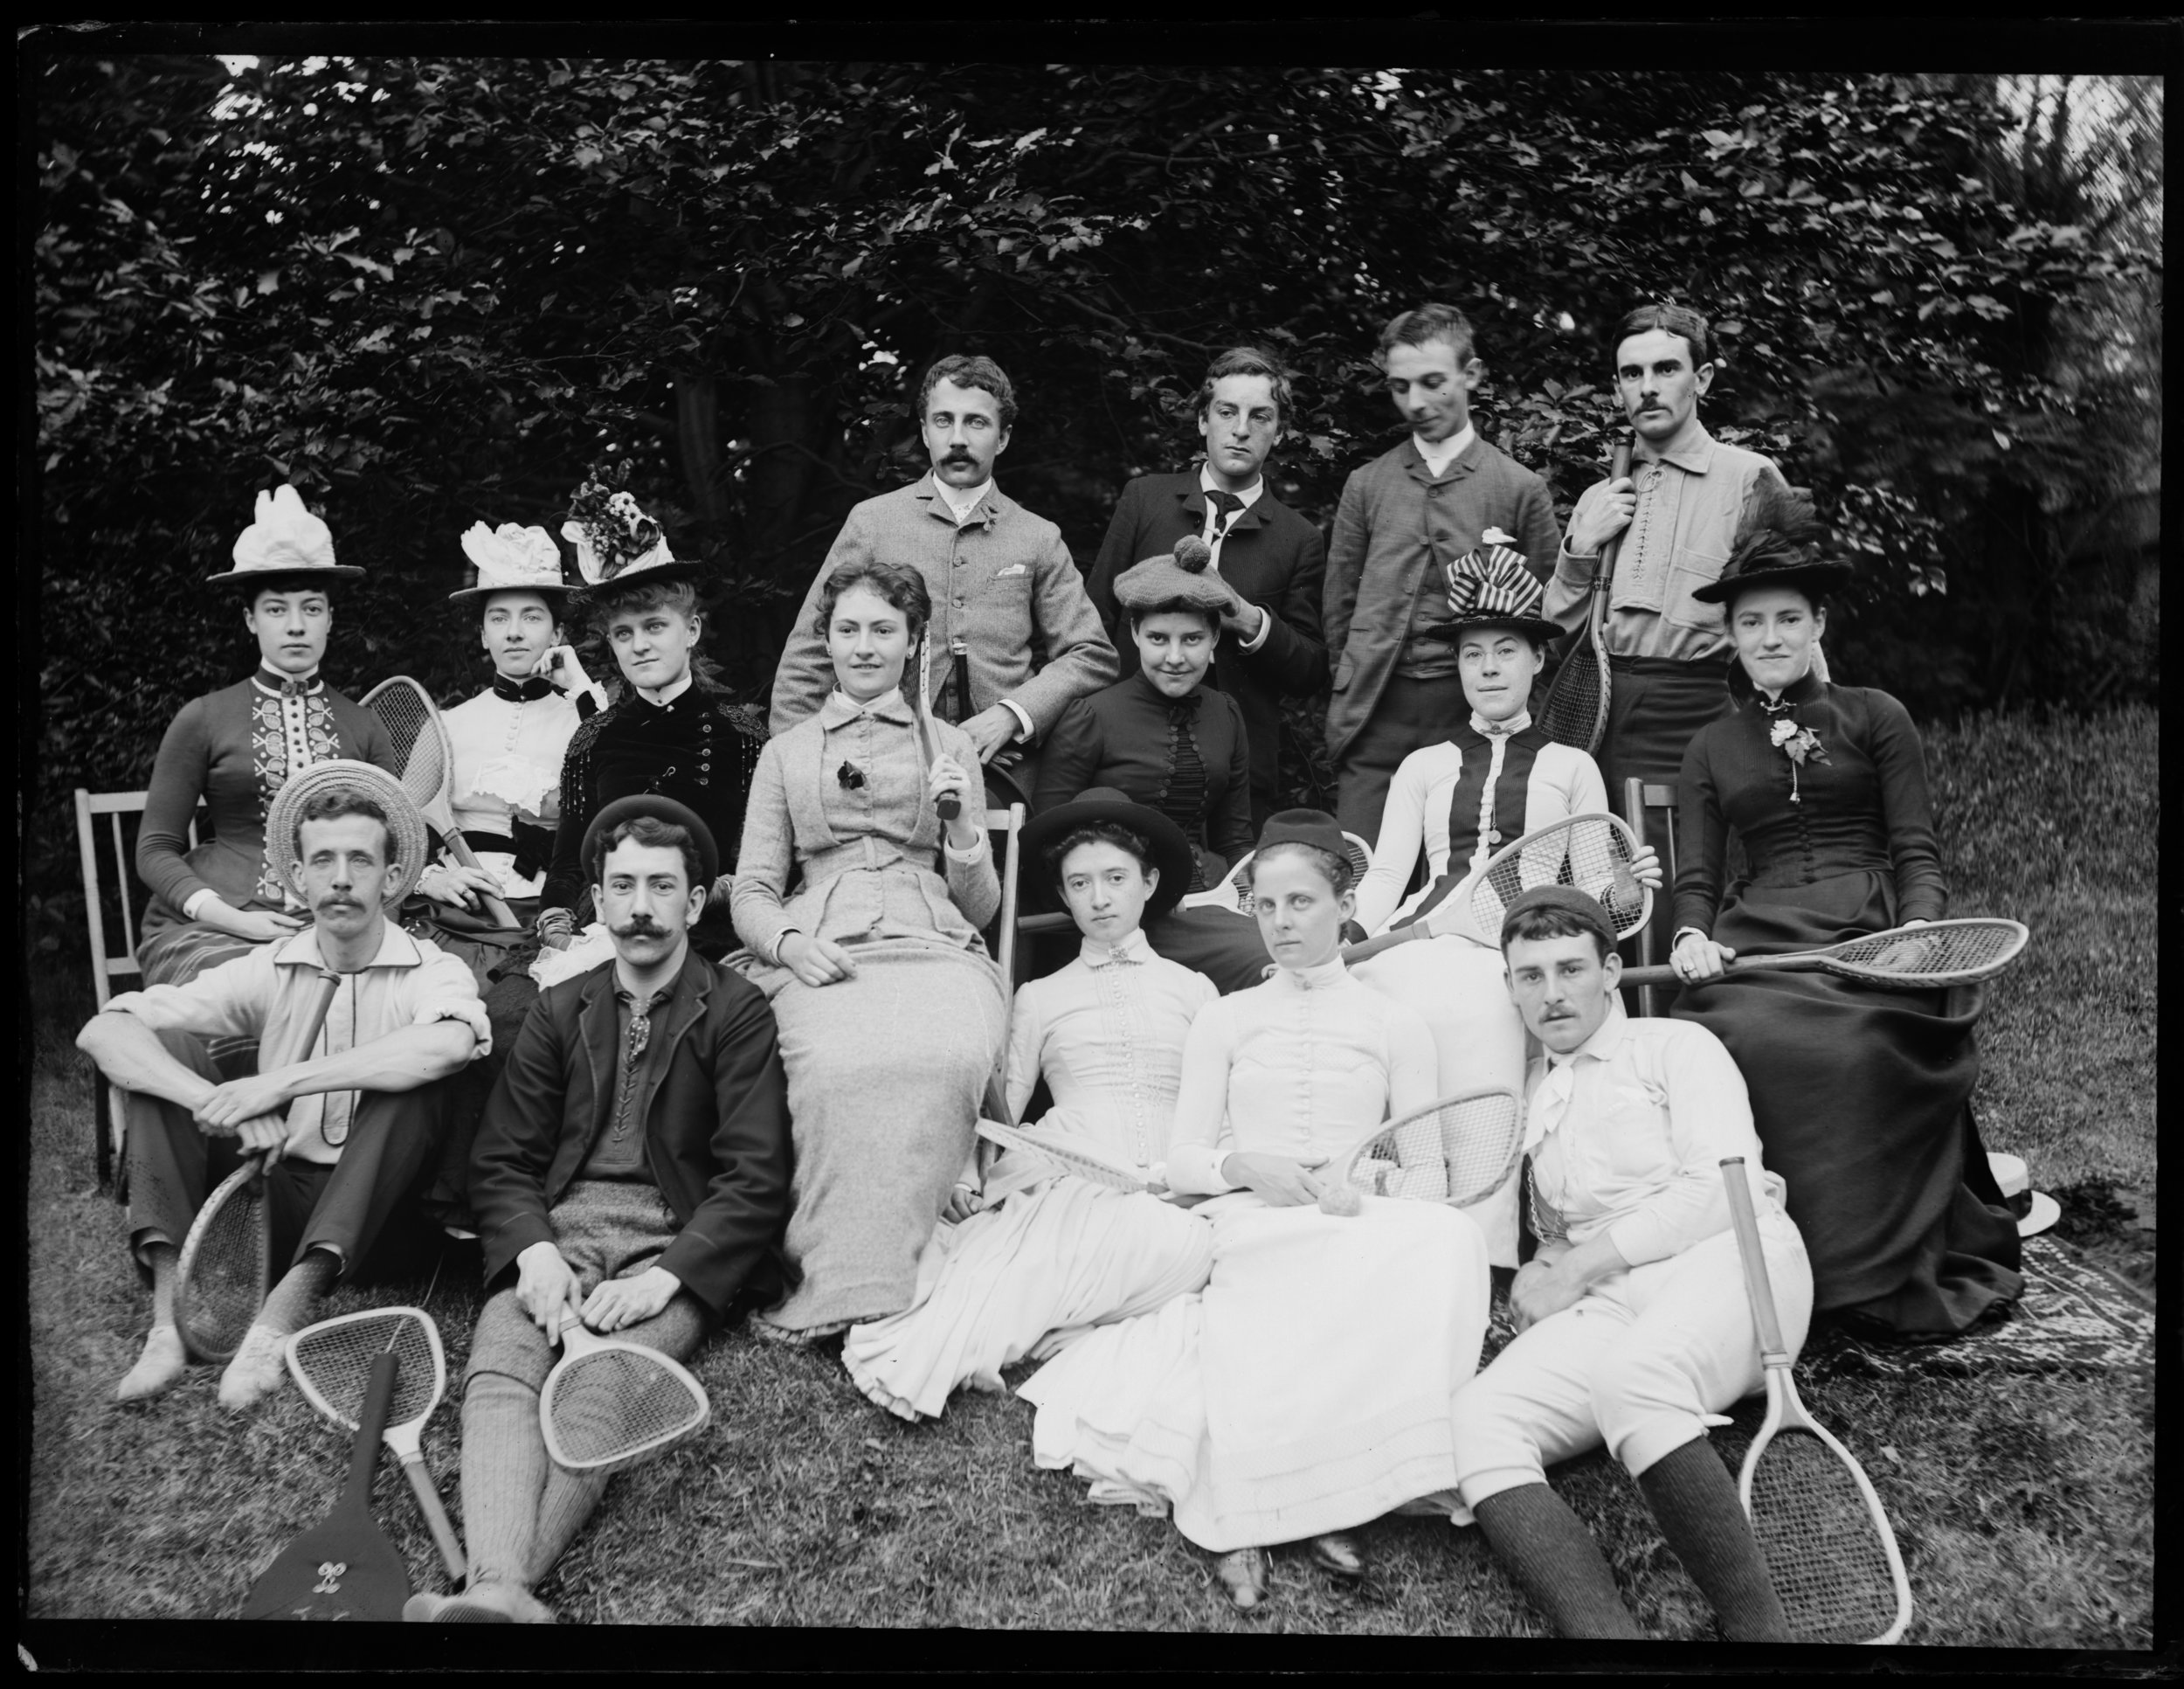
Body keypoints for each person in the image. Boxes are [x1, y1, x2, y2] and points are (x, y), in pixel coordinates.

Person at [1019, 810, 1491, 1610]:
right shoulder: (1228, 1015)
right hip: (1249, 1213)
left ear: (1344, 905)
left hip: (1351, 1213)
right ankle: (1248, 1513)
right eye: (1267, 907)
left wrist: (1366, 1186)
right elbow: (1182, 1158)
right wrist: (1243, 1164)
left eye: (1301, 903)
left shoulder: (1393, 1021)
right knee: (1269, 1280)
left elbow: (1428, 1172)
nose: (1281, 923)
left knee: (1447, 1239)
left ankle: (1336, 1491)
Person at [405, 796, 792, 1625]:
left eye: (662, 886)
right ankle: (503, 1590)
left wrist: (669, 1279)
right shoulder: (558, 1007)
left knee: (605, 1384)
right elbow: (503, 1157)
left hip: (669, 1243)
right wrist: (534, 1254)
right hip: (562, 1231)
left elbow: (756, 1175)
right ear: (600, 898)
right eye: (622, 886)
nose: (640, 907)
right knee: (504, 1368)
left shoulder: (737, 1010)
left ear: (695, 903)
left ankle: (493, 1588)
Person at [1667, 488, 2022, 1336]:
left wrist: (1919, 937)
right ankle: (1756, 1271)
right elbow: (1698, 877)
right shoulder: (1709, 746)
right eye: (1751, 624)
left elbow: (1915, 850)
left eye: (1787, 618)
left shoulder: (1876, 715)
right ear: (1732, 635)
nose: (1770, 638)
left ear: (1817, 622)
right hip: (1759, 947)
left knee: (1857, 1043)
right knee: (1731, 1036)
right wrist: (1689, 936)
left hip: (1871, 936)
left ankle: (1866, 1273)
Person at [1448, 886, 1810, 1642]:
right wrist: (1549, 1266)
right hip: (1616, 1295)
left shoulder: (1675, 1047)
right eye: (1530, 975)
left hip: (1735, 1258)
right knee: (1478, 1421)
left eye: (1571, 968)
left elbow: (1721, 1188)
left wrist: (1573, 1271)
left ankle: (1761, 1634)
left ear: (1611, 970)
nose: (1553, 993)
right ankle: (1605, 1641)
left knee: (1633, 1380)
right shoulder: (1537, 1094)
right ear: (1509, 986)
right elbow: (1559, 1225)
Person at [78, 762, 487, 1409]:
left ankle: (277, 1322)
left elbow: (451, 1042)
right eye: (323, 860)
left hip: (378, 1220)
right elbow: (106, 1030)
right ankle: (167, 1325)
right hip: (272, 1201)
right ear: (298, 877)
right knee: (166, 1048)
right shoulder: (271, 963)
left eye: (361, 860)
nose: (343, 879)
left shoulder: (429, 968)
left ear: (390, 875)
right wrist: (224, 1107)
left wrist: (279, 1084)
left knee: (418, 1080)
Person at [840, 791, 1217, 1422]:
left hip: (1176, 1166)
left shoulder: (1193, 988)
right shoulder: (1042, 995)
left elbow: (1218, 1094)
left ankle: (1047, 1318)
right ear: (1064, 896)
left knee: (1172, 1239)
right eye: (1080, 883)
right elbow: (1003, 1106)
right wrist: (967, 1171)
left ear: (1148, 883)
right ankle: (974, 1335)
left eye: (1116, 879)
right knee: (1057, 1238)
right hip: (1075, 1161)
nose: (1099, 898)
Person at [1348, 547, 1659, 1266]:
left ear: (1536, 663)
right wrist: (1352, 938)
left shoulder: (1572, 767)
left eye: (1506, 652)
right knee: (1374, 1000)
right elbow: (1391, 871)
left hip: (1519, 949)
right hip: (1415, 940)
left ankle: (1482, 1252)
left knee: (1486, 1006)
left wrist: (1626, 890)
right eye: (1472, 655)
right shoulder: (1423, 766)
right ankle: (1389, 1226)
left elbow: (1591, 896)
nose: (1488, 668)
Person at [732, 559, 1010, 1343]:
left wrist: (960, 828)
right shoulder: (785, 752)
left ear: (912, 641)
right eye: (848, 629)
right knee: (829, 1064)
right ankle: (839, 1274)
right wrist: (788, 944)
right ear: (826, 639)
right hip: (825, 942)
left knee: (951, 1048)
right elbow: (753, 888)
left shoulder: (949, 745)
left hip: (933, 941)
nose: (864, 647)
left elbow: (981, 908)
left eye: (883, 630)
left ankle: (922, 1248)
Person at [1543, 303, 1794, 958]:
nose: (1646, 386)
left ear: (1702, 378)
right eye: (1631, 373)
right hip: (1596, 710)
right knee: (1598, 880)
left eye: (1665, 368)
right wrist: (1581, 543)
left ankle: (1686, 1025)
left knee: (1678, 881)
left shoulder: (1749, 477)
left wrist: (1813, 727)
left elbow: (1789, 617)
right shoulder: (1607, 491)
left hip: (1692, 709)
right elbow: (1551, 634)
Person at [134, 485, 400, 1081]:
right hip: (213, 925)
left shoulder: (364, 725)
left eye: (311, 607)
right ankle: (233, 1145)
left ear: (332, 617)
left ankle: (325, 1152)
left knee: (391, 1002)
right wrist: (236, 920)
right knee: (259, 997)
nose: (296, 625)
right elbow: (154, 849)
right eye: (277, 609)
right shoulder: (202, 717)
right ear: (251, 619)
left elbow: (395, 846)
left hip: (339, 921)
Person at [766, 354, 1117, 800]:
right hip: (880, 768)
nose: (957, 438)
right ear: (925, 432)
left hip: (1002, 774)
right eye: (943, 420)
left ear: (1003, 437)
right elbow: (812, 651)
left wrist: (1012, 714)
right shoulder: (873, 523)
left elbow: (1091, 654)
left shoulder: (1037, 537)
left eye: (976, 423)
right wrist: (797, 766)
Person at [1323, 304, 1562, 844]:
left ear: (1471, 374)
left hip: (1476, 721)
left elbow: (1550, 620)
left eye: (1433, 383)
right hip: (1376, 718)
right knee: (1359, 876)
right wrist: (1350, 688)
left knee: (1461, 876)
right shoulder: (1367, 484)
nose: (1415, 402)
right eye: (1400, 386)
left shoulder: (1518, 487)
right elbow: (1339, 608)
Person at [1085, 346, 1330, 830]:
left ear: (1278, 432)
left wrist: (1246, 617)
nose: (1242, 429)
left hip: (1235, 766)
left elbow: (1309, 669)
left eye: (1260, 417)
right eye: (1227, 412)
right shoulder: (1145, 499)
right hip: (1123, 748)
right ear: (1202, 421)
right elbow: (1095, 620)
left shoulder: (1298, 537)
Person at [534, 474, 767, 966]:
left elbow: (765, 861)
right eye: (623, 633)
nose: (639, 645)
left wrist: (703, 894)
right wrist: (558, 928)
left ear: (691, 630)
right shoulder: (594, 738)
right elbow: (567, 867)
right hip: (607, 932)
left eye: (655, 626)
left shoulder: (740, 734)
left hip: (714, 934)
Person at [1035, 536, 1272, 993]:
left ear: (1216, 638)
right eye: (1159, 639)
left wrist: (1247, 900)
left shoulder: (1225, 713)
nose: (1175, 657)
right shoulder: (1092, 716)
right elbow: (1051, 843)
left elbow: (1234, 835)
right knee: (1260, 959)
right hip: (1125, 916)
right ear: (1136, 635)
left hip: (1213, 903)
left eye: (1193, 639)